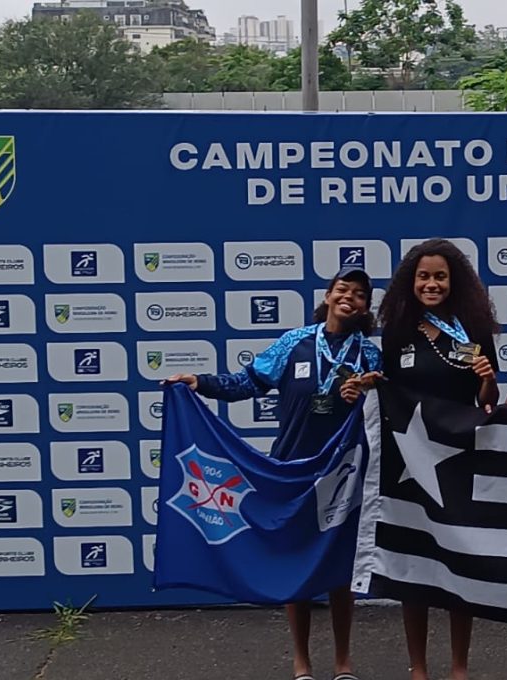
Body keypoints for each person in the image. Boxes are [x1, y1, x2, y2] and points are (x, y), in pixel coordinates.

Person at [163, 266, 380, 680]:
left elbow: (379, 410)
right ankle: (301, 662)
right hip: (291, 469)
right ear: (329, 296)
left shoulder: (368, 355)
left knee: (340, 568)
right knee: (293, 566)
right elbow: (247, 382)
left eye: (359, 293)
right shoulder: (294, 343)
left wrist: (369, 392)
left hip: (342, 474)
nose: (349, 297)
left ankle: (343, 662)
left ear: (366, 307)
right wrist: (200, 382)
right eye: (342, 289)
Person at [378, 238, 500, 680]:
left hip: (456, 461)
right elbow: (384, 392)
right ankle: (418, 668)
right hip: (406, 463)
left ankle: (459, 667)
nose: (432, 284)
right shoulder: (396, 332)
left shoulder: (472, 331)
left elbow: (488, 401)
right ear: (411, 283)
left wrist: (487, 381)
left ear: (455, 282)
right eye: (424, 276)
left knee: (456, 563)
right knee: (414, 565)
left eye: (440, 277)